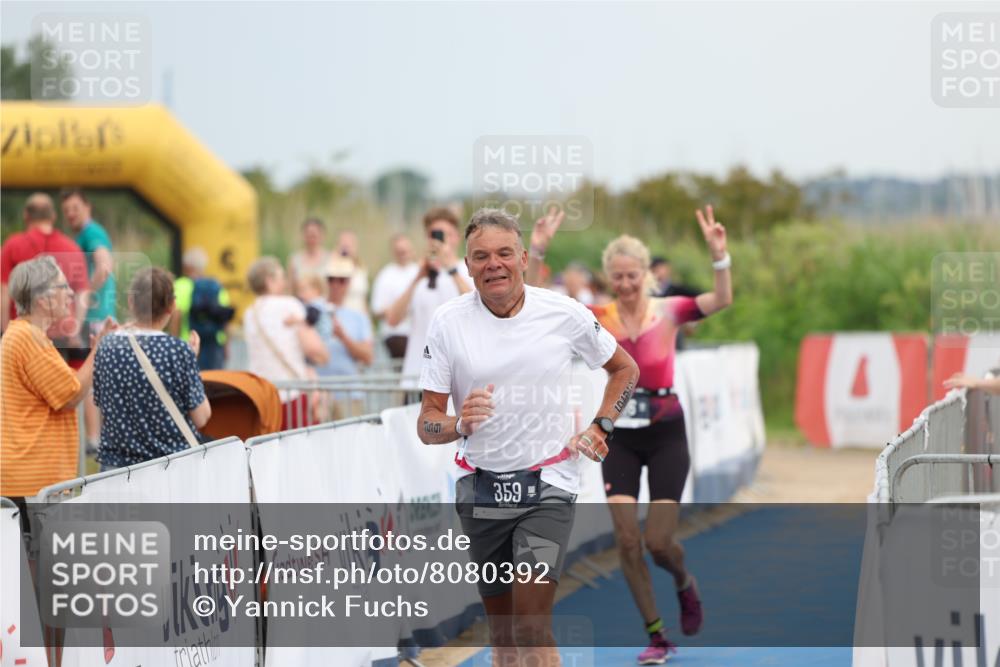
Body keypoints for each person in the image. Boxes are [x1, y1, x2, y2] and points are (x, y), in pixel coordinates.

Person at [417, 208, 639, 667]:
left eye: (503, 253)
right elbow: (427, 423)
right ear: (467, 265)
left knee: (531, 625)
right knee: (502, 636)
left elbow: (625, 369)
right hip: (480, 488)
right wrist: (459, 423)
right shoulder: (448, 322)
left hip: (548, 486)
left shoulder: (562, 312)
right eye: (481, 256)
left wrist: (601, 425)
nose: (493, 264)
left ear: (522, 258)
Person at [528, 205, 733, 664]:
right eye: (617, 277)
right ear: (609, 278)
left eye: (632, 276)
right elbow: (538, 300)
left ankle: (683, 580)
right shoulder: (599, 315)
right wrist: (537, 249)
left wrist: (719, 256)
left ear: (647, 275)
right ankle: (657, 635)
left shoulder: (670, 310)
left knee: (658, 542)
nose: (625, 284)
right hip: (617, 435)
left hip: (666, 434)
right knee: (625, 539)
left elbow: (721, 299)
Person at [1, 256, 116, 508]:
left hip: (28, 481)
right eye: (64, 287)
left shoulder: (23, 334)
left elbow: (64, 386)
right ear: (43, 299)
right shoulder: (30, 339)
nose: (71, 294)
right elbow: (70, 394)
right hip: (33, 484)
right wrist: (99, 350)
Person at [94, 268, 211, 470]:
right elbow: (201, 417)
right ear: (171, 305)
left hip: (116, 469)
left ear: (131, 301)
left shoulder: (106, 346)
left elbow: (102, 405)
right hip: (169, 467)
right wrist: (189, 361)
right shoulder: (178, 351)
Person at [387, 207, 473, 386]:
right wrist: (418, 277)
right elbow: (393, 319)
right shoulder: (416, 273)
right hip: (417, 377)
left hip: (455, 378)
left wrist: (451, 269)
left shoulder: (467, 270)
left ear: (457, 238)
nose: (439, 241)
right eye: (434, 235)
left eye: (445, 235)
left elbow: (477, 308)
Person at [60, 188, 117, 454]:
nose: (70, 214)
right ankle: (102, 438)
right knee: (98, 378)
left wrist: (84, 296)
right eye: (66, 210)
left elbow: (104, 266)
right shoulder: (87, 234)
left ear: (87, 206)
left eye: (75, 208)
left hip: (93, 320)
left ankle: (94, 439)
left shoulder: (92, 233)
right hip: (100, 318)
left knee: (89, 378)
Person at [243, 257, 329, 429]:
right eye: (281, 276)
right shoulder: (289, 305)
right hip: (292, 394)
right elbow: (315, 351)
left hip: (262, 396)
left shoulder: (250, 313)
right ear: (270, 281)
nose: (284, 281)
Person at [1, 193, 90, 348]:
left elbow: (3, 292)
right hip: (62, 334)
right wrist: (74, 331)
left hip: (24, 335)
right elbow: (83, 293)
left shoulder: (12, 246)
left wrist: (5, 331)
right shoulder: (72, 248)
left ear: (26, 216)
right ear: (53, 216)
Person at [316, 258, 374, 417]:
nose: (335, 284)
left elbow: (368, 357)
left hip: (349, 395)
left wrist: (344, 337)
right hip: (318, 395)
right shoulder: (313, 309)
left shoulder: (359, 316)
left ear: (349, 283)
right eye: (331, 279)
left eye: (341, 280)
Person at [170, 247, 234, 370]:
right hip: (215, 345)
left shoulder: (181, 285)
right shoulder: (216, 287)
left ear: (186, 266)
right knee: (213, 380)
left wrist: (174, 344)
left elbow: (176, 317)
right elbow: (225, 319)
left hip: (188, 343)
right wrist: (227, 346)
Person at [370, 234, 419, 359]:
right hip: (396, 333)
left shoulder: (419, 271)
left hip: (418, 331)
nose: (403, 254)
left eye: (405, 251)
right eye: (399, 251)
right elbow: (377, 309)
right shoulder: (386, 275)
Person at [287, 217, 331, 284]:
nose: (311, 239)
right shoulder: (295, 259)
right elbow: (289, 284)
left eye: (314, 236)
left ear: (322, 236)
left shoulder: (330, 258)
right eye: (308, 235)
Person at [335, 230, 370, 314]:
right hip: (342, 314)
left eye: (350, 244)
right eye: (343, 245)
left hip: (359, 314)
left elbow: (363, 298)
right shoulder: (334, 270)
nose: (347, 248)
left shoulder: (361, 269)